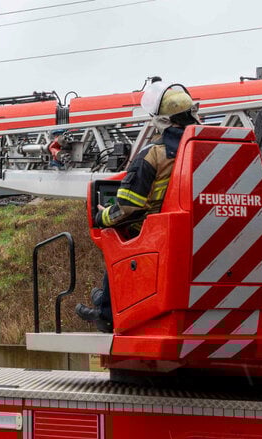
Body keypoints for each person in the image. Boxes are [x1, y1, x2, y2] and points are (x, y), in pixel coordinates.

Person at [75, 80, 201, 333]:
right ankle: (104, 300)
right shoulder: (210, 146)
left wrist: (103, 217)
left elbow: (129, 208)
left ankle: (106, 313)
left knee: (114, 235)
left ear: (162, 120)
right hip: (204, 230)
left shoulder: (153, 154)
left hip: (160, 235)